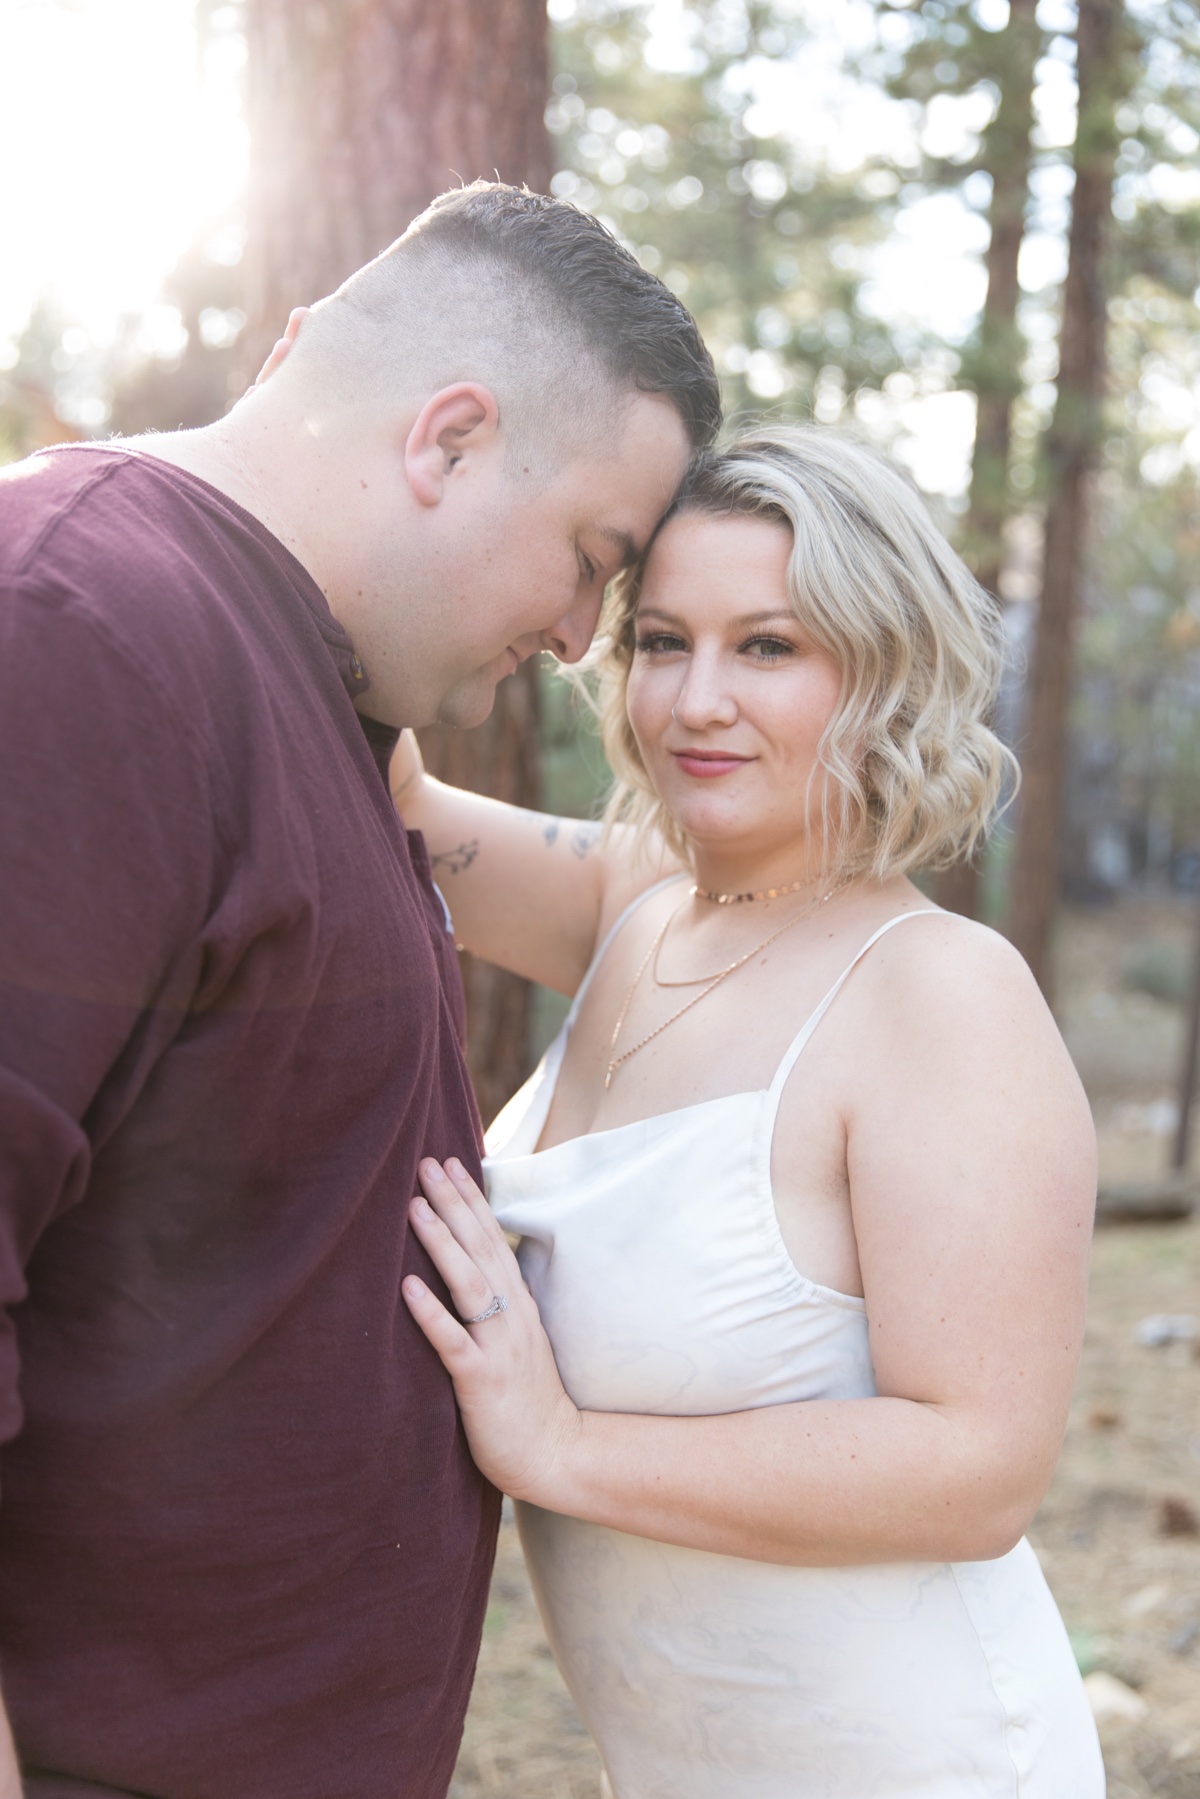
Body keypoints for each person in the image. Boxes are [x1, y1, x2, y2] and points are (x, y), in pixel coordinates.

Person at [0, 182, 719, 1798]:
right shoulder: (75, 627)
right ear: (449, 438)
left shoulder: (315, 689)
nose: (583, 634)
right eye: (596, 558)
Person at [390, 426, 1105, 1797]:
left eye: (768, 647)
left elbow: (979, 1468)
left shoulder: (939, 995)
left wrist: (563, 1447)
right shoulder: (635, 902)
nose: (695, 700)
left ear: (884, 668)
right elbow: (391, 796)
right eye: (662, 641)